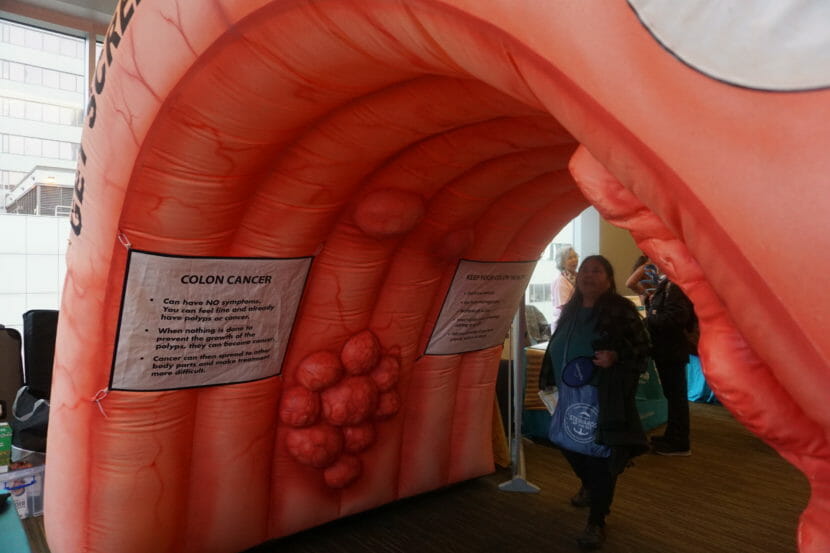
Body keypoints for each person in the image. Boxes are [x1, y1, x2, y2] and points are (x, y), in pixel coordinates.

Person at [539, 255, 650, 550]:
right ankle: (590, 485)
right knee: (563, 441)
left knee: (600, 456)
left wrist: (616, 357)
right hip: (568, 394)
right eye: (585, 270)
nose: (588, 275)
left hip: (603, 396)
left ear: (609, 279)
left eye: (596, 270)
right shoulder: (571, 309)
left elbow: (642, 350)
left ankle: (596, 520)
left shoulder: (620, 310)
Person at [645, 268, 696, 456]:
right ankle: (672, 436)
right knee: (674, 397)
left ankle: (680, 442)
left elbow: (677, 317)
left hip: (671, 350)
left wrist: (650, 319)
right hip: (667, 350)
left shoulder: (675, 286)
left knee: (677, 398)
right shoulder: (668, 283)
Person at [550, 247, 579, 331]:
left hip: (576, 322)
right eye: (570, 258)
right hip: (564, 324)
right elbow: (565, 307)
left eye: (575, 256)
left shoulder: (578, 276)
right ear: (562, 263)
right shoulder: (560, 281)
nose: (574, 260)